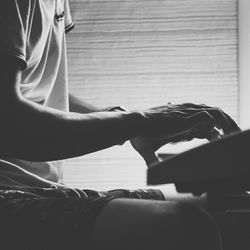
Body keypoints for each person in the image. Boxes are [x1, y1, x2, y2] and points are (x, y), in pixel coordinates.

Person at [0, 1, 240, 249]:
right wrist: (135, 122)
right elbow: (8, 124)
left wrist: (124, 119)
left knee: (225, 212)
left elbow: (45, 91)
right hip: (6, 194)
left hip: (40, 190)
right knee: (187, 226)